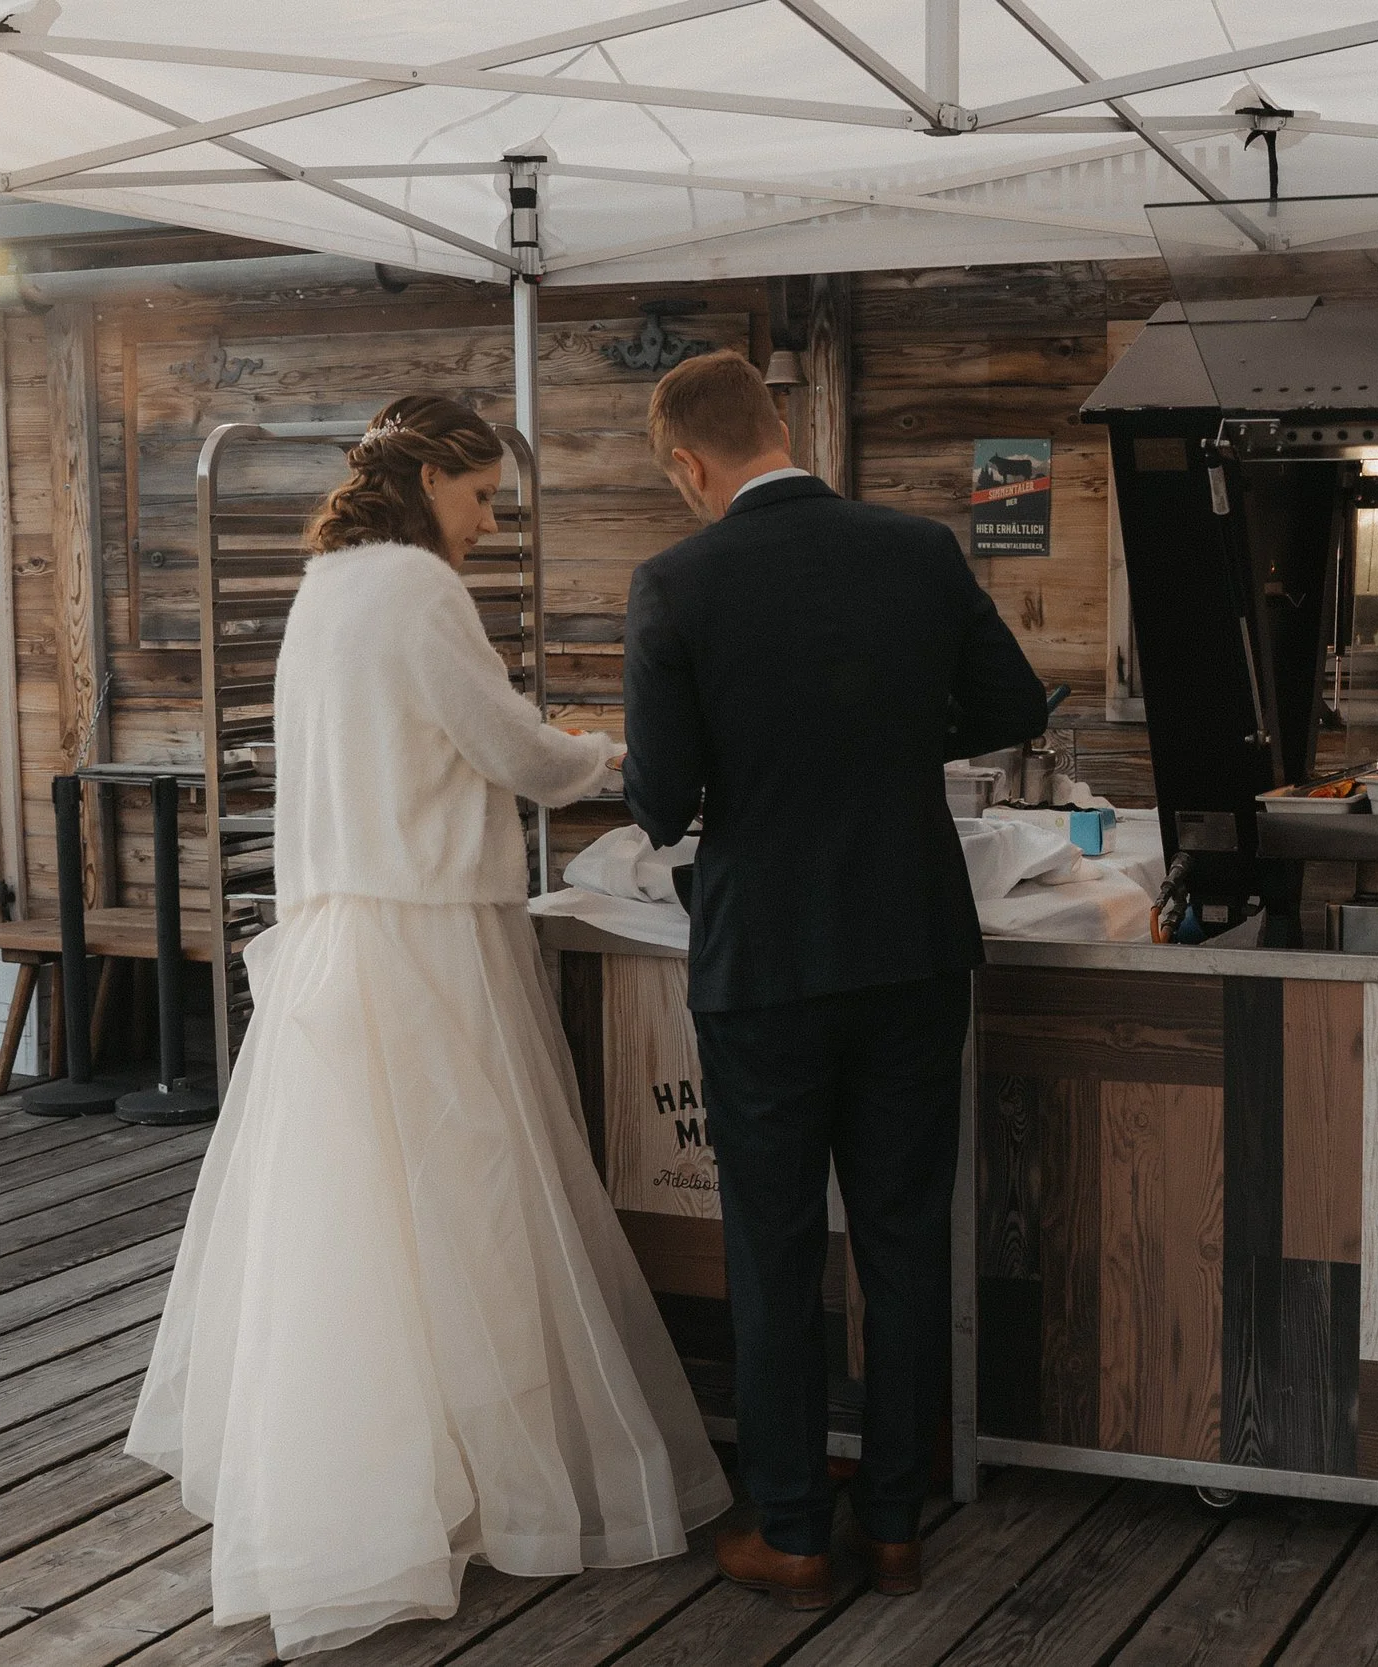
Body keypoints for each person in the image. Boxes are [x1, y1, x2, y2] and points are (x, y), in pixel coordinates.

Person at [127, 395, 729, 1658]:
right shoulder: (415, 587)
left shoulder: (324, 588)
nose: (488, 521)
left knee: (359, 1220)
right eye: (483, 496)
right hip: (432, 932)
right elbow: (498, 741)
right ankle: (480, 1475)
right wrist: (601, 753)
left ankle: (381, 1479)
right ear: (433, 478)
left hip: (340, 928)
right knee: (469, 1204)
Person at [622, 353, 1046, 1608]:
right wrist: (890, 732)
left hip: (765, 963)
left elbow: (658, 797)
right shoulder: (916, 550)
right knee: (906, 1234)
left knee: (774, 1245)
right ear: (784, 427)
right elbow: (1009, 701)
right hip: (912, 941)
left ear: (689, 465)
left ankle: (797, 1529)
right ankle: (899, 1521)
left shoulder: (676, 581)